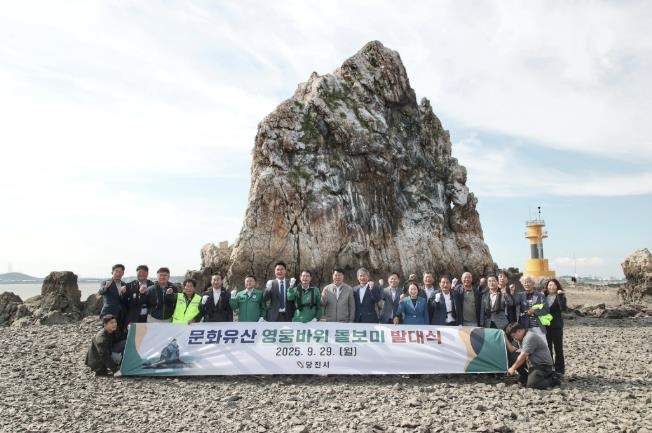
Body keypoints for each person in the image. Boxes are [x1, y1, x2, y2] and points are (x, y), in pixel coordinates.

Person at [507, 323, 561, 389]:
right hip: (533, 364)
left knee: (532, 385)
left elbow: (524, 355)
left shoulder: (529, 337)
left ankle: (553, 379)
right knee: (512, 356)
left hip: (543, 365)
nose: (514, 339)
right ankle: (525, 377)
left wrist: (513, 368)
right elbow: (512, 350)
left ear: (519, 331)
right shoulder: (522, 337)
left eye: (514, 336)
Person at [544, 278, 567, 375]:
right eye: (549, 285)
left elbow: (563, 309)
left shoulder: (560, 297)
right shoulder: (544, 296)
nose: (551, 287)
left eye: (553, 285)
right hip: (545, 326)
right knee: (547, 348)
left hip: (556, 326)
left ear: (557, 286)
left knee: (558, 348)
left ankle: (560, 370)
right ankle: (549, 368)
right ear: (547, 287)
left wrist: (560, 296)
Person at [99, 264, 127, 333]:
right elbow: (101, 292)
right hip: (108, 311)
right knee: (107, 332)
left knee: (119, 332)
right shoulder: (106, 282)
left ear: (123, 273)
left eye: (120, 272)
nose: (118, 273)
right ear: (112, 272)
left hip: (120, 313)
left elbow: (124, 300)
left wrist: (123, 293)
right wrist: (106, 287)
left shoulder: (124, 284)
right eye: (116, 271)